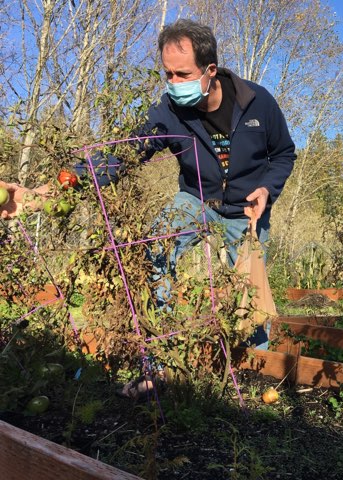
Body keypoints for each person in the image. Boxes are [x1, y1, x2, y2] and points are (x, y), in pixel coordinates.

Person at [4, 19, 295, 360]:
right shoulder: (169, 111)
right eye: (167, 74)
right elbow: (120, 155)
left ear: (210, 70)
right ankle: (159, 353)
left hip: (247, 209)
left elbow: (283, 154)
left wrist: (266, 189)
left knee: (251, 290)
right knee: (155, 254)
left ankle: (258, 368)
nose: (173, 83)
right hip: (196, 198)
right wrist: (46, 194)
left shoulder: (258, 102)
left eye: (182, 75)